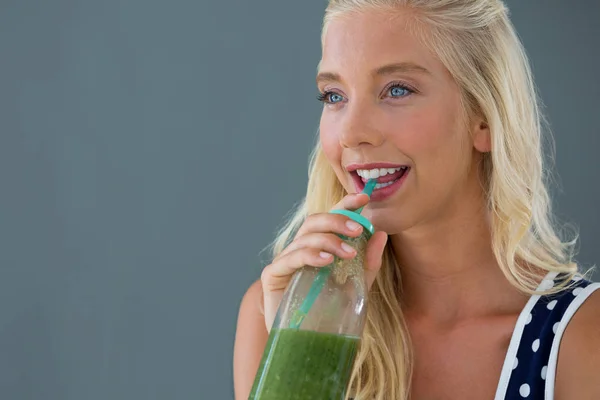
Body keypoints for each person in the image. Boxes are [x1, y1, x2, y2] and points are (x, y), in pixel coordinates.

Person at [233, 0, 600, 399]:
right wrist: (293, 361)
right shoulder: (277, 315)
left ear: (485, 117)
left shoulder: (582, 336)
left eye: (396, 90)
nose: (352, 133)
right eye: (334, 95)